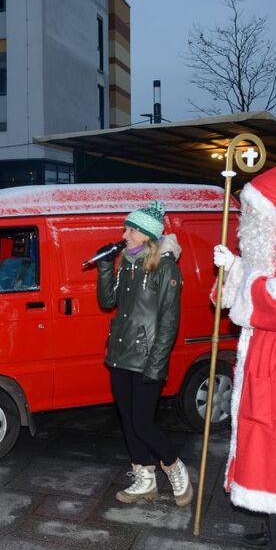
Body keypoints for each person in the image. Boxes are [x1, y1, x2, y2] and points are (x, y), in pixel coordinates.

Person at [213, 165, 276, 550]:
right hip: (266, 363)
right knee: (264, 447)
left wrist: (246, 279)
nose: (247, 223)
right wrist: (235, 268)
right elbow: (260, 277)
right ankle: (272, 529)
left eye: (253, 214)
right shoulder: (274, 247)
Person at [96, 200, 192, 507]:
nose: (123, 234)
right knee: (128, 420)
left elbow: (168, 322)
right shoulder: (126, 261)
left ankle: (174, 465)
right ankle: (144, 478)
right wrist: (103, 267)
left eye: (129, 229)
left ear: (144, 234)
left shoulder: (166, 268)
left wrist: (157, 364)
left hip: (148, 357)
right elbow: (108, 300)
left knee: (143, 423)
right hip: (121, 354)